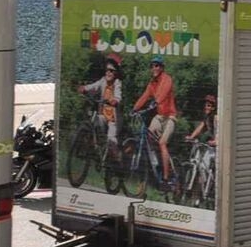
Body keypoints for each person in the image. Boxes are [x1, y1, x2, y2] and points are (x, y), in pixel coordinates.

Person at [133, 56, 179, 196]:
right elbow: (144, 96)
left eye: (157, 65)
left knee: (162, 143)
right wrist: (134, 108)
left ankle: (165, 180)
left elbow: (164, 93)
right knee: (149, 135)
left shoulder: (167, 79)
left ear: (162, 67)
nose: (155, 68)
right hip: (159, 116)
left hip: (170, 117)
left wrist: (156, 101)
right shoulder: (152, 83)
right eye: (153, 65)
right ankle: (157, 163)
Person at [77, 56, 124, 160]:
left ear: (116, 73)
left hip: (113, 119)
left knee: (111, 140)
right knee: (94, 124)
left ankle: (119, 161)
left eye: (111, 71)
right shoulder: (103, 81)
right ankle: (90, 148)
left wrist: (115, 100)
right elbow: (94, 86)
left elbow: (118, 95)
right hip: (103, 115)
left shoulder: (117, 83)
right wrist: (84, 88)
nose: (108, 73)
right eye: (107, 70)